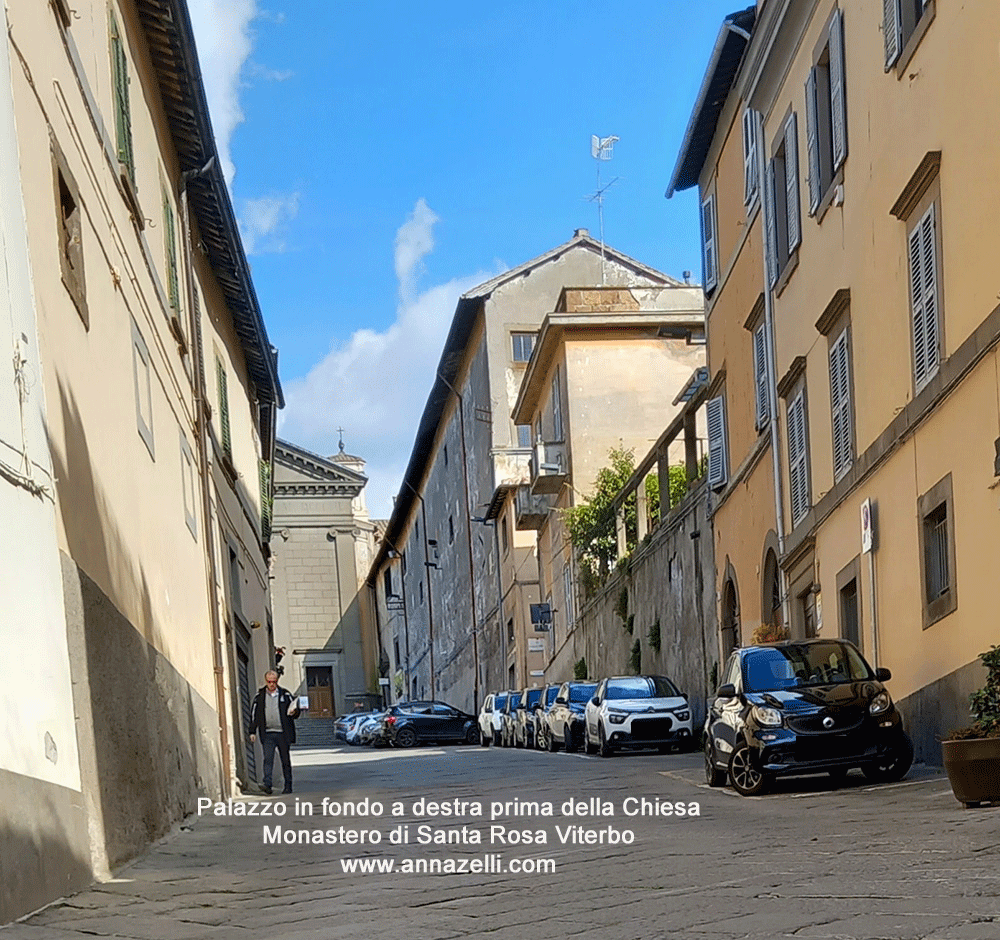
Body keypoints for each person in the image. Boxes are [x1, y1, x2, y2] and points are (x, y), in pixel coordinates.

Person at [248, 670, 300, 794]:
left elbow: (295, 711)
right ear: (266, 681)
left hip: (283, 733)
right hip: (268, 733)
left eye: (274, 682)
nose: (272, 684)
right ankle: (267, 785)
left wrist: (294, 712)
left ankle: (288, 785)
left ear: (277, 681)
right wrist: (252, 731)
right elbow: (254, 715)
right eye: (269, 682)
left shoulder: (285, 695)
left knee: (285, 760)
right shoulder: (259, 697)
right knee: (268, 759)